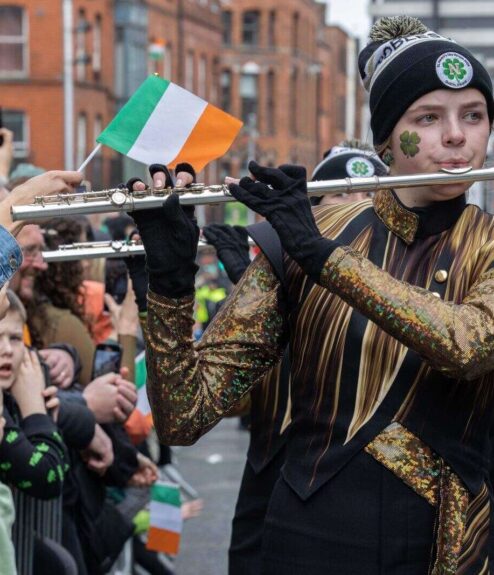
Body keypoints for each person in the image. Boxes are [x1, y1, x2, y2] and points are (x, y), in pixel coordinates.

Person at [132, 15, 494, 573]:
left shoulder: (481, 243)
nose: (456, 136)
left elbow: (468, 344)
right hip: (304, 537)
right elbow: (185, 415)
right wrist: (171, 283)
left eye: (473, 116)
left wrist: (323, 258)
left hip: (439, 547)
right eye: (428, 117)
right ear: (385, 138)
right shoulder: (311, 228)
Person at [203, 142, 388, 575]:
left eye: (369, 195)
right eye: (341, 194)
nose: (356, 205)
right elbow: (229, 400)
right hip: (273, 489)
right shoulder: (284, 274)